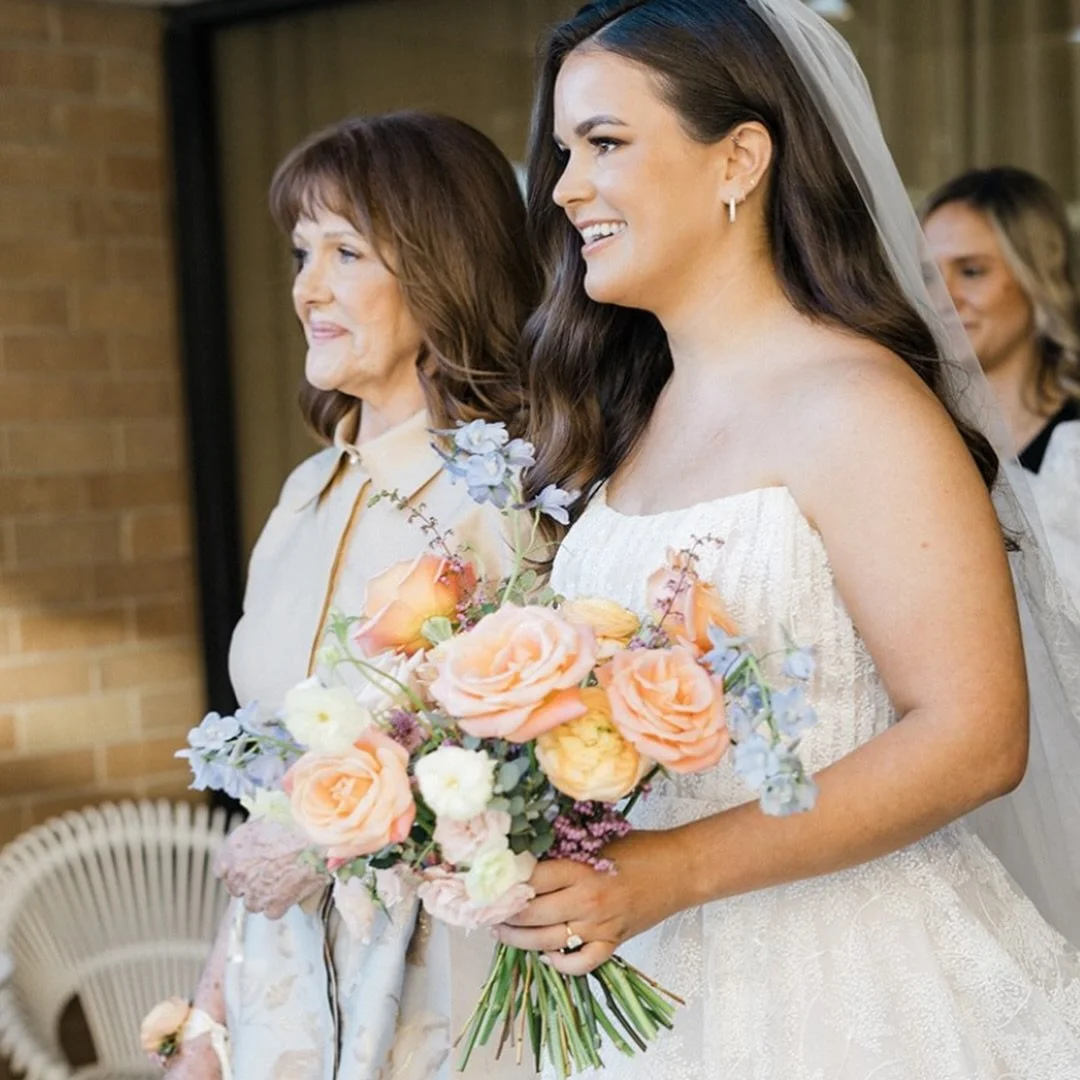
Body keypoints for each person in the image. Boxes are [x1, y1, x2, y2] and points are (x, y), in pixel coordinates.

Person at [498, 2, 1080, 1077]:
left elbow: (976, 735)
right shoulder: (633, 420)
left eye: (606, 144)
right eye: (564, 152)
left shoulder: (855, 402)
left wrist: (669, 869)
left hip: (849, 989)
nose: (566, 187)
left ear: (741, 159)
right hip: (657, 983)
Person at [169, 111, 539, 1079]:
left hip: (446, 997)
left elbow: (523, 780)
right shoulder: (298, 499)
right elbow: (270, 798)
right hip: (283, 1000)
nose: (305, 287)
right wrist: (207, 1031)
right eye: (301, 251)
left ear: (440, 266)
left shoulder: (503, 503)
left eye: (344, 251)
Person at [924, 167, 1080, 604]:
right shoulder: (911, 432)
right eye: (928, 276)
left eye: (971, 271)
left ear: (1038, 277)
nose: (944, 298)